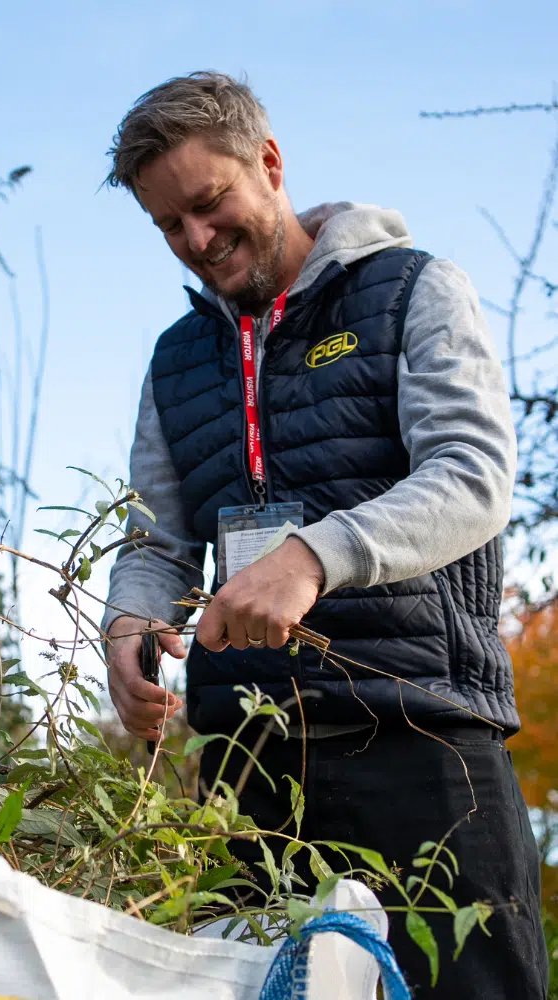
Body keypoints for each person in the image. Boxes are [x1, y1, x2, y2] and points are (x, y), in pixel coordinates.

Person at [101, 72, 548, 998]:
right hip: (248, 774)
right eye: (167, 227)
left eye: (208, 203)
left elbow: (471, 477)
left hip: (424, 743)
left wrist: (312, 557)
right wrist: (128, 627)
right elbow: (156, 540)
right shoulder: (175, 361)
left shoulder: (412, 291)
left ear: (268, 162)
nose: (195, 240)